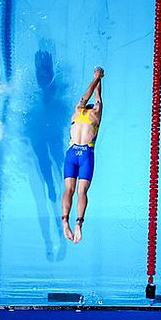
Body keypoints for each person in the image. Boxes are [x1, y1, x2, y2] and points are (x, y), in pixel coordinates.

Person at [61, 67, 104, 243]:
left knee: (69, 190)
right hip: (86, 154)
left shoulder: (77, 110)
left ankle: (65, 222)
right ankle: (79, 222)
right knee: (81, 191)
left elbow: (88, 93)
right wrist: (100, 79)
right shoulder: (96, 113)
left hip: (71, 153)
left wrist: (95, 78)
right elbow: (97, 97)